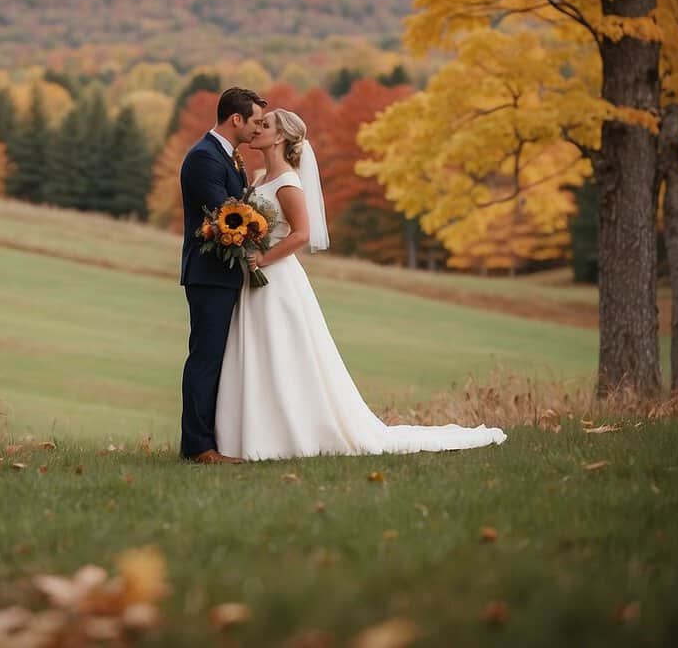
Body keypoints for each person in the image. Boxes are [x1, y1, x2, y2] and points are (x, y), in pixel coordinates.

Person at [215, 109, 507, 461]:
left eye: (265, 125)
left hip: (276, 279)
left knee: (283, 354)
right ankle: (250, 433)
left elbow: (302, 234)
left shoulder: (288, 183)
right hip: (253, 279)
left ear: (279, 138)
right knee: (257, 352)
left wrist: (263, 259)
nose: (256, 129)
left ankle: (289, 433)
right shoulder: (260, 177)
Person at [177, 86, 266, 464]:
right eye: (256, 121)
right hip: (209, 273)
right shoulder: (203, 158)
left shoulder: (231, 158)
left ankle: (214, 439)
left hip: (225, 273)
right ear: (236, 119)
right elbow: (227, 212)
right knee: (205, 358)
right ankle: (198, 447)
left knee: (218, 359)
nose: (258, 129)